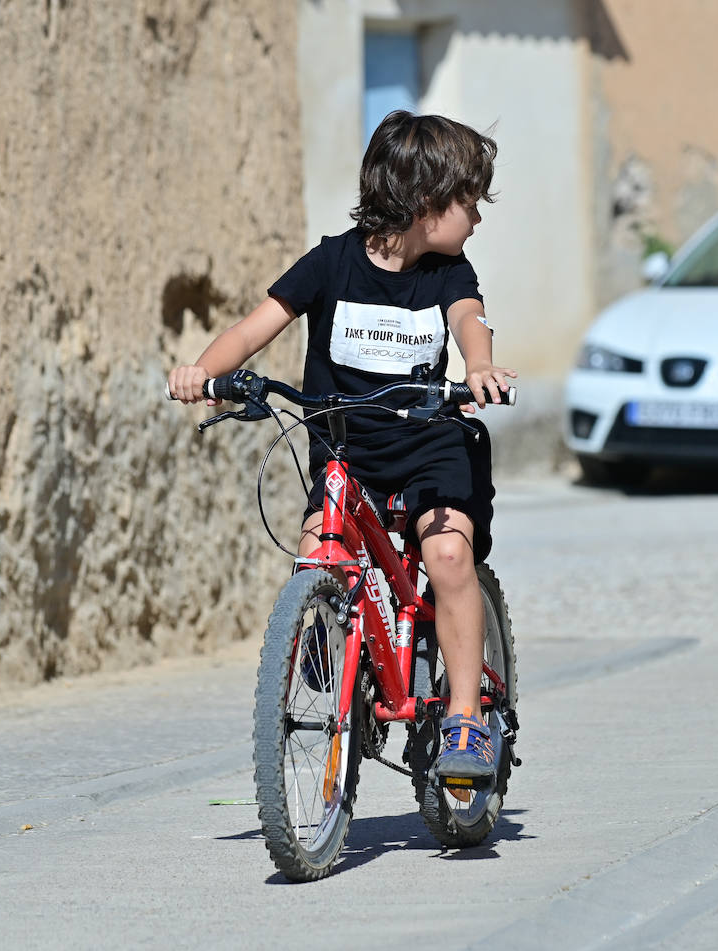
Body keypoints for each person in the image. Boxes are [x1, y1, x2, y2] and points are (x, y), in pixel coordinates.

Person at [168, 111, 516, 780]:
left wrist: (478, 366)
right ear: (425, 204)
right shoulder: (332, 261)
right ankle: (337, 684)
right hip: (346, 449)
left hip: (427, 445)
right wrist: (205, 374)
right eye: (469, 202)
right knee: (315, 557)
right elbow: (254, 330)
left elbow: (471, 321)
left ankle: (466, 718)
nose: (476, 218)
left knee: (446, 555)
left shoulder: (448, 272)